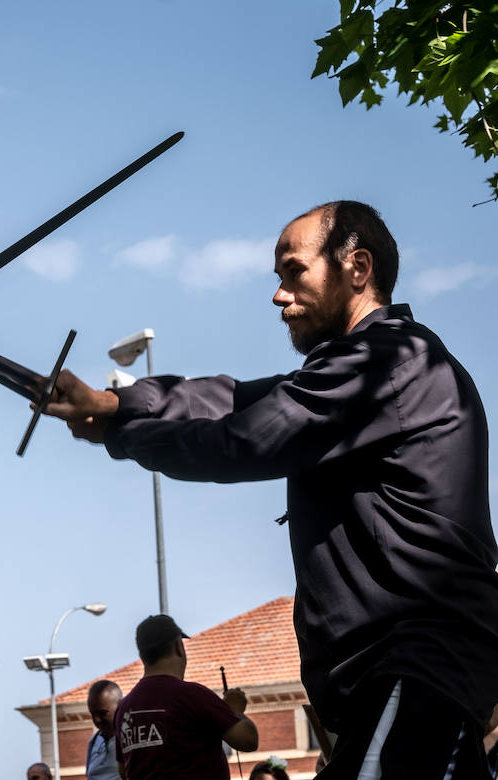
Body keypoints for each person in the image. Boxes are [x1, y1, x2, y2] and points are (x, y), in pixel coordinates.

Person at [44, 201, 498, 778]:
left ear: (357, 267)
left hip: (414, 667)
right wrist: (115, 403)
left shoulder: (392, 360)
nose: (279, 295)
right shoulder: (357, 369)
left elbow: (245, 439)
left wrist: (120, 433)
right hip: (391, 681)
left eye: (294, 272)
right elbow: (229, 398)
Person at [113, 615, 257, 779]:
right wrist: (235, 711)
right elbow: (248, 740)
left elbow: (123, 771)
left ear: (142, 655)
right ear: (178, 647)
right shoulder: (191, 696)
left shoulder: (124, 708)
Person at [85, 680, 121, 780]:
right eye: (93, 714)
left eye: (102, 713)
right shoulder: (94, 741)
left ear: (120, 706)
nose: (97, 719)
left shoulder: (131, 738)